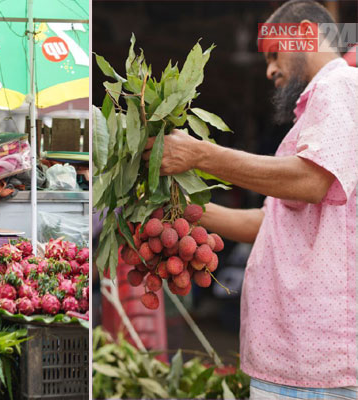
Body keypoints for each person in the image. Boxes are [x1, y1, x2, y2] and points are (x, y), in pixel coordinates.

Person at [144, 0, 358, 395]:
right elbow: (269, 223)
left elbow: (312, 181)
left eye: (274, 54)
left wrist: (200, 155)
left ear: (306, 34)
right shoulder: (316, 111)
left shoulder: (339, 85)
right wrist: (182, 209)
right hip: (290, 359)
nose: (269, 69)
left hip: (315, 363)